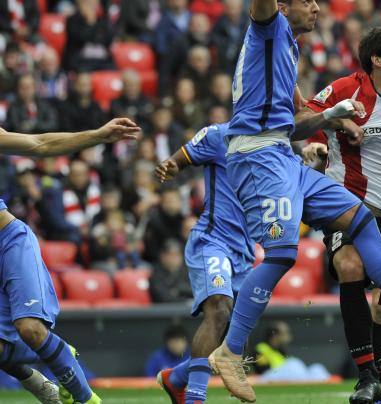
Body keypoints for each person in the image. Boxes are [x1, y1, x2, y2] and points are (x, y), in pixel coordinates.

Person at [208, 0, 381, 403]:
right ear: (284, 5)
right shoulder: (268, 27)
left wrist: (325, 123)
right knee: (281, 256)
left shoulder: (289, 47)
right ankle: (230, 352)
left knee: (359, 219)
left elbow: (291, 121)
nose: (317, 7)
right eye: (308, 0)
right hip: (256, 157)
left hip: (279, 154)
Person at [299, 26, 381, 403]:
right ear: (376, 59)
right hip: (347, 209)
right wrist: (335, 121)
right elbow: (300, 118)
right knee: (351, 267)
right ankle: (367, 378)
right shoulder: (346, 89)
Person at [0, 117, 140, 404]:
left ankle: (85, 398)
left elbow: (39, 143)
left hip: (8, 241)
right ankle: (48, 368)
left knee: (30, 328)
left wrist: (97, 135)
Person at [154, 120, 253, 404]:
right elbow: (178, 160)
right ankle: (196, 399)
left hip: (245, 252)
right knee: (219, 310)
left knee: (233, 343)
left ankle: (176, 379)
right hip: (213, 240)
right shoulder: (218, 135)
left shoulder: (276, 146)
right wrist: (169, 166)